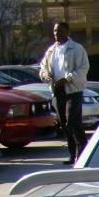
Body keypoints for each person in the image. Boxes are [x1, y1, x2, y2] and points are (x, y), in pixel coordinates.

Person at [39, 21, 90, 165]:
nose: (56, 34)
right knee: (64, 124)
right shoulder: (51, 51)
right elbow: (42, 68)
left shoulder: (76, 49)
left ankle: (82, 153)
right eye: (55, 31)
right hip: (57, 91)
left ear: (67, 32)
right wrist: (46, 76)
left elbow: (83, 68)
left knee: (72, 122)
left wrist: (67, 79)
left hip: (73, 90)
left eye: (60, 31)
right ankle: (73, 154)